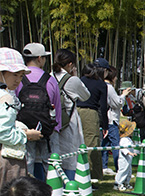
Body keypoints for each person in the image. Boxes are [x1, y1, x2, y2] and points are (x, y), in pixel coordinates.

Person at [0, 48, 42, 196]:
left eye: (20, 75)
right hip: (7, 159)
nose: (18, 80)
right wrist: (26, 135)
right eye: (15, 75)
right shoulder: (6, 98)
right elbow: (3, 132)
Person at [16, 43, 62, 181]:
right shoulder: (50, 80)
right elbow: (57, 107)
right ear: (40, 58)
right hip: (47, 128)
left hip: (25, 128)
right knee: (51, 164)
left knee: (27, 163)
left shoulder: (18, 79)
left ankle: (26, 195)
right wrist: (56, 127)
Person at [52, 49, 90, 180]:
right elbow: (86, 96)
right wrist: (75, 76)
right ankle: (70, 185)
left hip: (52, 121)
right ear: (69, 64)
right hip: (69, 120)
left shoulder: (49, 76)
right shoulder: (72, 80)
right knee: (70, 156)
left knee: (55, 154)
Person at [76, 63, 108, 180]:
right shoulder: (101, 84)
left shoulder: (78, 81)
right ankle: (90, 175)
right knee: (91, 144)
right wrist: (105, 125)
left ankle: (78, 173)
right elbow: (103, 106)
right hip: (90, 113)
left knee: (78, 143)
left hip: (76, 112)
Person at [103, 66, 132, 176]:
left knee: (105, 144)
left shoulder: (103, 86)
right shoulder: (109, 87)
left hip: (107, 119)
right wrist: (124, 95)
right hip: (112, 120)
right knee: (116, 145)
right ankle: (119, 168)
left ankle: (104, 165)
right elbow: (117, 103)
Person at [114, 120, 137, 191]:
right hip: (124, 159)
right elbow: (123, 148)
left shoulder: (128, 139)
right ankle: (118, 183)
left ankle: (126, 183)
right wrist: (129, 153)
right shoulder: (123, 140)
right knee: (123, 170)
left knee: (128, 171)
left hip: (129, 159)